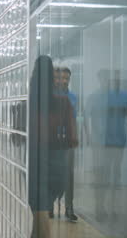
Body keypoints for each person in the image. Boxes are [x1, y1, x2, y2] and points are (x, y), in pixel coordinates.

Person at [28, 56, 77, 238]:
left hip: (33, 161)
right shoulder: (64, 103)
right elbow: (72, 139)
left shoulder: (27, 104)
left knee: (39, 211)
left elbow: (19, 137)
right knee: (41, 214)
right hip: (55, 161)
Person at [85, 69, 127, 221]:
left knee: (116, 176)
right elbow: (86, 118)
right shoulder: (94, 97)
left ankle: (113, 208)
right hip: (100, 144)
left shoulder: (125, 96)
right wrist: (90, 139)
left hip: (118, 143)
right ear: (100, 79)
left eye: (115, 79)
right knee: (101, 176)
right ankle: (99, 208)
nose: (111, 81)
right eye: (106, 78)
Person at [48, 67, 79, 222]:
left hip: (67, 141)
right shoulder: (49, 96)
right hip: (52, 140)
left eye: (66, 78)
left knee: (69, 175)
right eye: (60, 78)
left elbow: (74, 119)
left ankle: (69, 208)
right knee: (52, 172)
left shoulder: (74, 97)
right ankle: (49, 206)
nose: (63, 81)